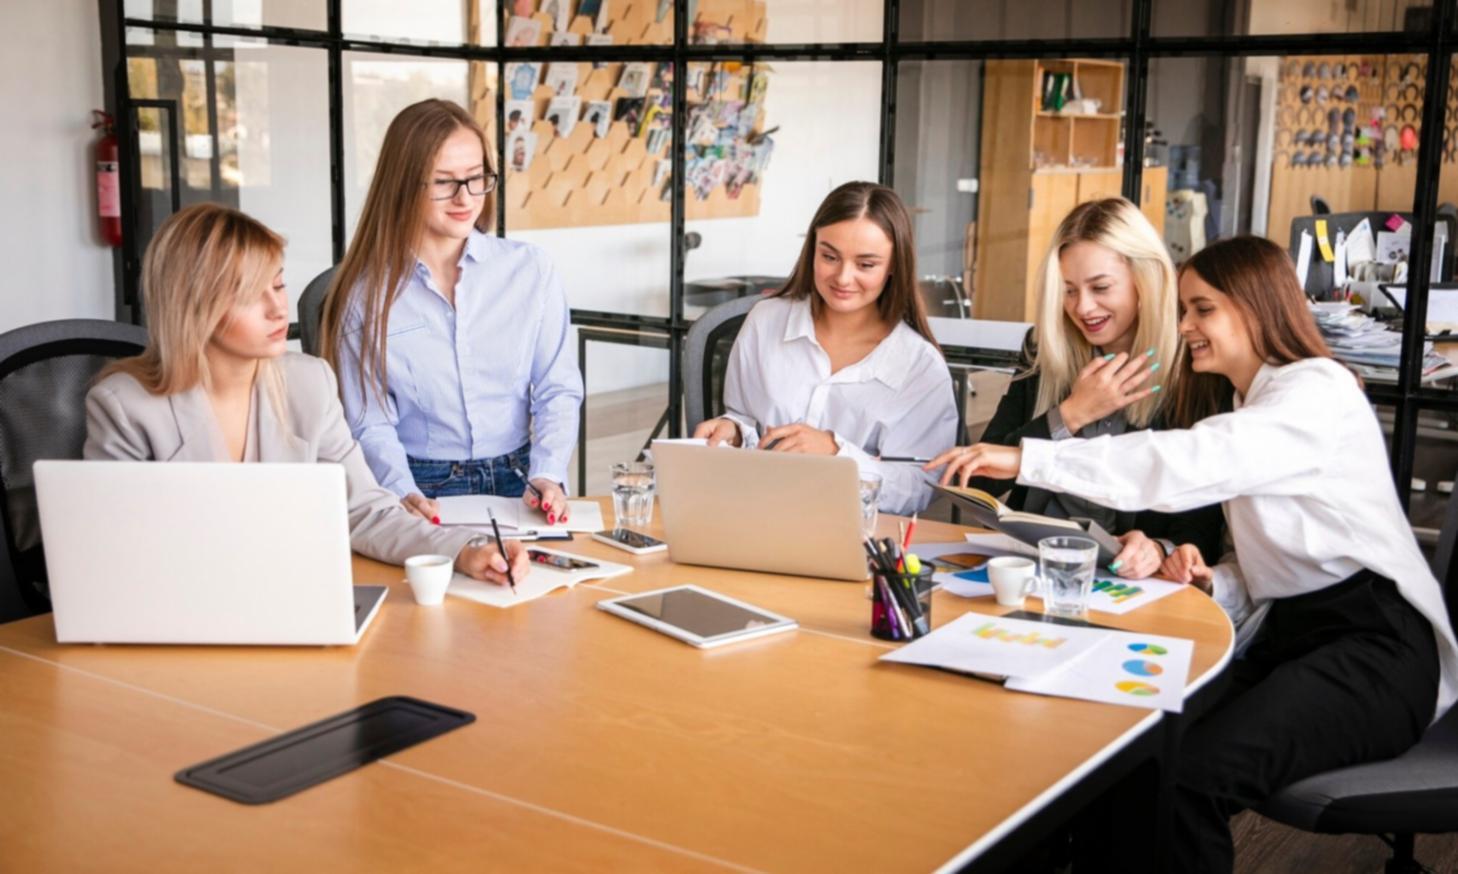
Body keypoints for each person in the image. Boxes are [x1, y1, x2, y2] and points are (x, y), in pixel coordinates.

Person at [929, 235, 1458, 874]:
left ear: (1256, 308)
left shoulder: (1317, 391)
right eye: (1184, 310)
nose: (1185, 327)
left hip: (1376, 650)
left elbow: (1186, 460)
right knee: (1129, 753)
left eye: (1202, 309)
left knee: (1189, 780)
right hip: (1293, 634)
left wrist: (1027, 455)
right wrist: (1215, 581)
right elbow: (1274, 564)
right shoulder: (1251, 400)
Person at [84, 202, 528, 586]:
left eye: (277, 285)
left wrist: (467, 548)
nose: (278, 308)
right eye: (248, 295)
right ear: (193, 305)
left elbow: (367, 513)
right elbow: (110, 558)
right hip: (183, 615)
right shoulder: (127, 408)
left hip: (291, 597)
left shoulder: (308, 382)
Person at [321, 99, 582, 525]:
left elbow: (558, 389)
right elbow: (369, 422)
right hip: (421, 484)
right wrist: (403, 492)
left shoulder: (531, 269)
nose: (465, 198)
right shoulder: (364, 294)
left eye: (476, 178)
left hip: (522, 479)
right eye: (444, 182)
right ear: (404, 185)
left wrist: (549, 474)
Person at [971, 197, 1223, 578]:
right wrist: (1070, 415)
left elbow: (1206, 507)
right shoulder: (1044, 348)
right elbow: (979, 475)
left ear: (1145, 279)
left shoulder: (1192, 362)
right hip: (1033, 560)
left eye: (1100, 287)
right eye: (1069, 290)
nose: (1083, 307)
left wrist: (1160, 548)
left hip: (1126, 576)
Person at [691, 181, 959, 515]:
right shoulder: (766, 320)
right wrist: (731, 431)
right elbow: (745, 416)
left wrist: (836, 452)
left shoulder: (919, 365)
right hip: (753, 512)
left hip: (853, 534)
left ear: (893, 266)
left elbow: (919, 487)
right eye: (830, 257)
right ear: (812, 251)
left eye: (866, 265)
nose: (843, 278)